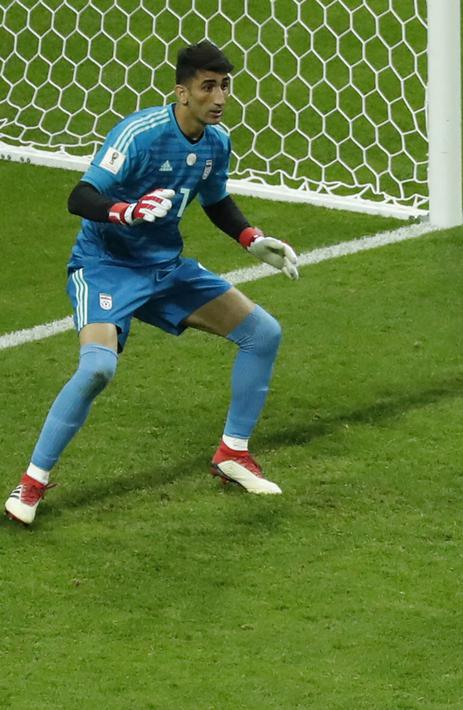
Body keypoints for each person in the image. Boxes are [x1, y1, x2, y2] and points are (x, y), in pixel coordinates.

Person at [5, 41, 298, 526]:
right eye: (208, 87)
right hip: (105, 266)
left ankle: (232, 453)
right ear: (182, 93)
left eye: (225, 85)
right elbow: (81, 197)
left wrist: (252, 239)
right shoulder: (140, 133)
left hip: (165, 269)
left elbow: (216, 199)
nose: (220, 96)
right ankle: (31, 483)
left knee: (263, 332)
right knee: (98, 369)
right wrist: (125, 212)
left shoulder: (215, 141)